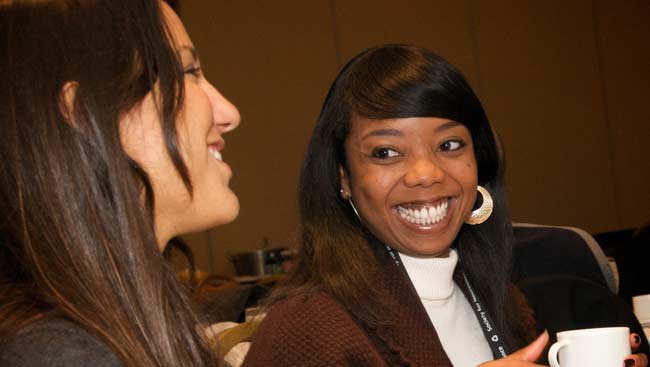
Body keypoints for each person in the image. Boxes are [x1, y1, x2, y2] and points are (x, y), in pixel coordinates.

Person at [242, 45, 647, 366]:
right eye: (385, 152)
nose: (425, 174)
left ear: (479, 162)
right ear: (343, 178)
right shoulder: (307, 325)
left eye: (449, 145)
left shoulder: (496, 295)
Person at [0, 1, 240, 367]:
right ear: (87, 113)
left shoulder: (131, 322)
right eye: (190, 71)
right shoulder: (57, 355)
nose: (229, 113)